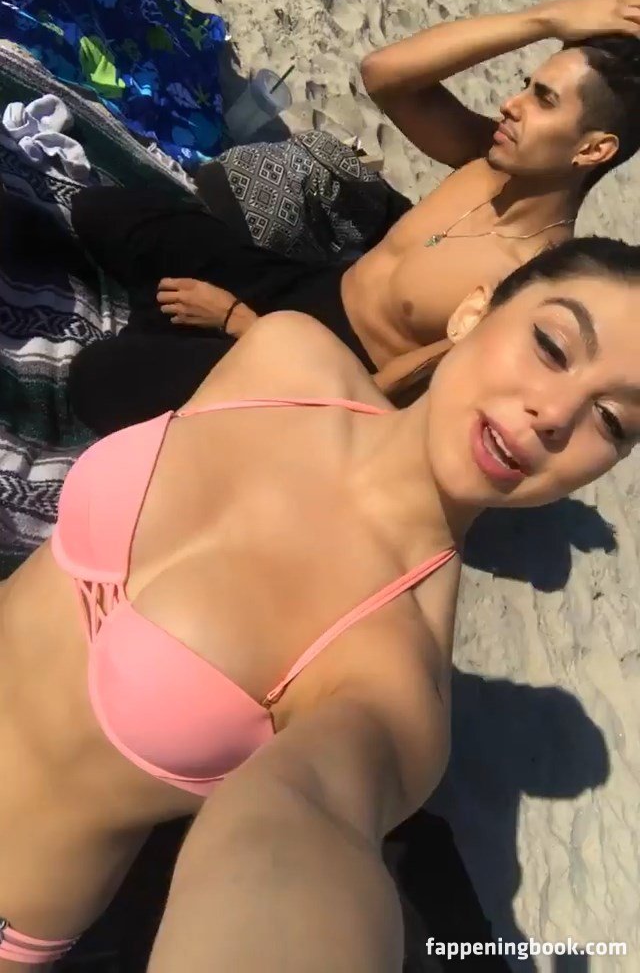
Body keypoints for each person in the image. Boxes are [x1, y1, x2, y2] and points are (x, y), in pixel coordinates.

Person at [1, 235, 640, 971]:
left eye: (611, 421)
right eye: (553, 347)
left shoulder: (397, 680)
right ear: (473, 313)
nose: (554, 413)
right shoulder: (286, 356)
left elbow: (299, 832)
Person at [68, 0, 640, 432]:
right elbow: (384, 74)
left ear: (593, 150)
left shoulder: (529, 282)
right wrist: (545, 20)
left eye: (542, 100)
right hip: (299, 285)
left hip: (318, 373)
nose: (510, 104)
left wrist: (242, 324)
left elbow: (385, 399)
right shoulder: (488, 160)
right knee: (100, 212)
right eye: (526, 85)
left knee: (97, 384)